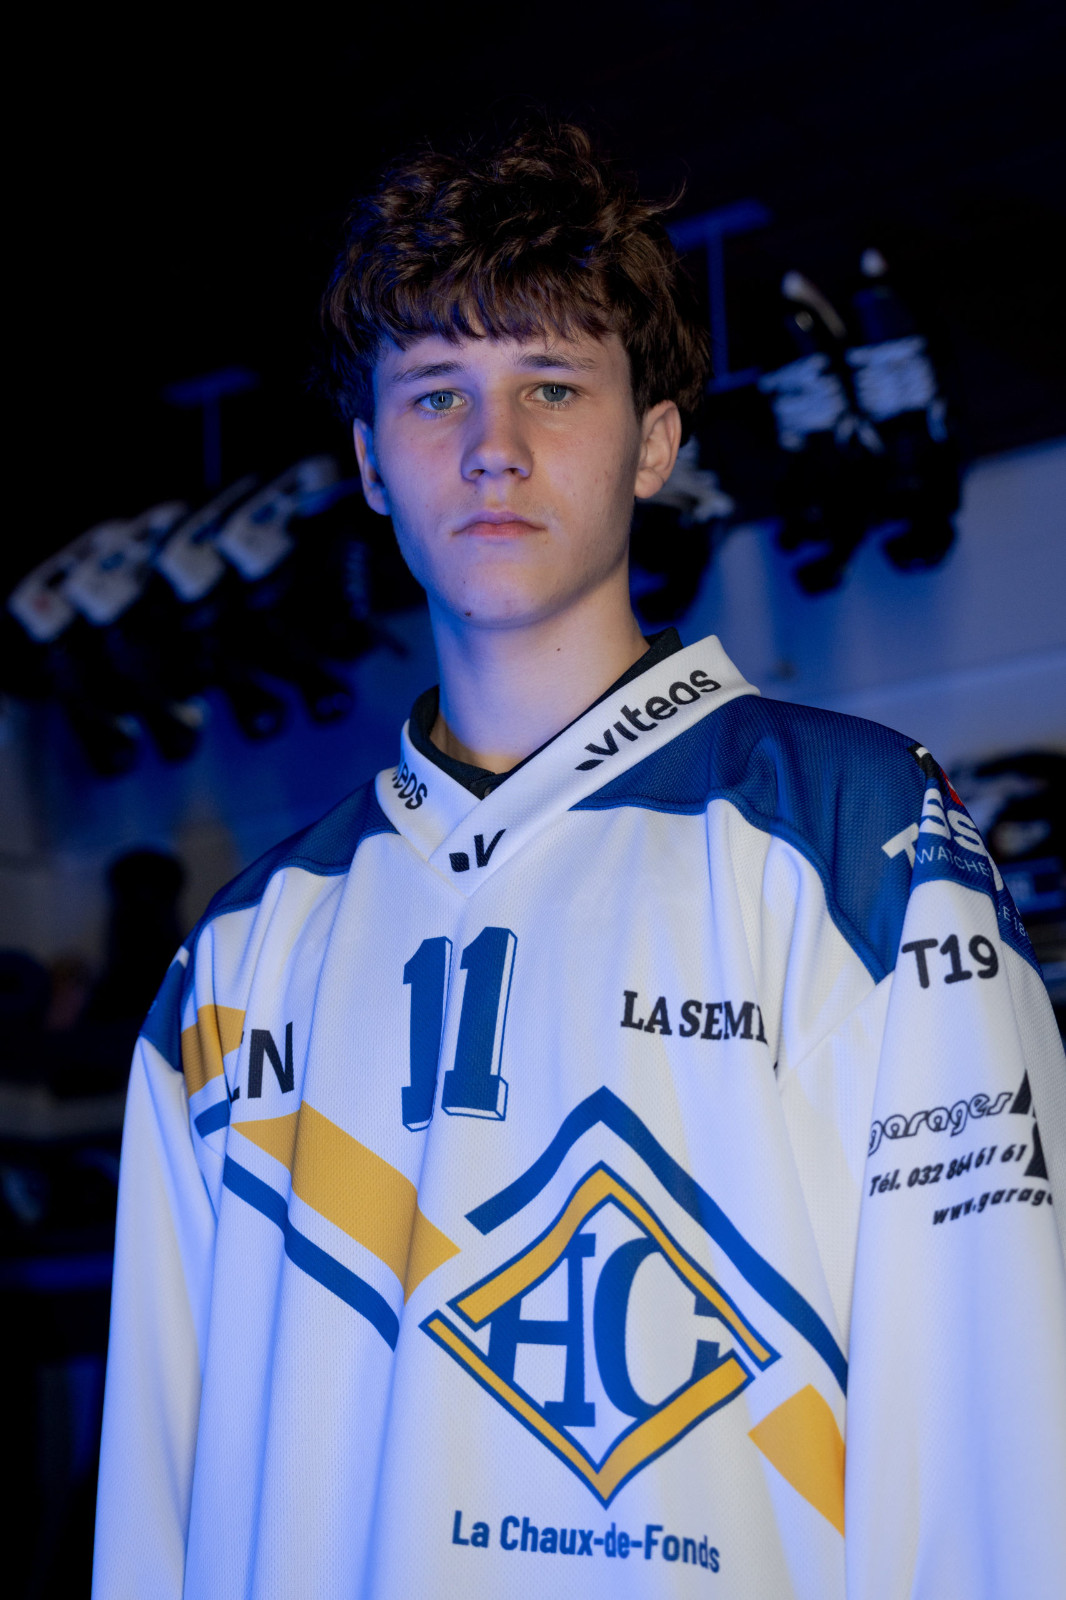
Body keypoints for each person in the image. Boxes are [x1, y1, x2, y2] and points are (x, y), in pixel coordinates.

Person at [93, 123, 1066, 1599]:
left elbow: (999, 1448)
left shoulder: (856, 840)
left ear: (654, 444)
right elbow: (152, 1513)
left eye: (552, 385)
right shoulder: (236, 955)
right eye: (436, 394)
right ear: (369, 462)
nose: (493, 446)